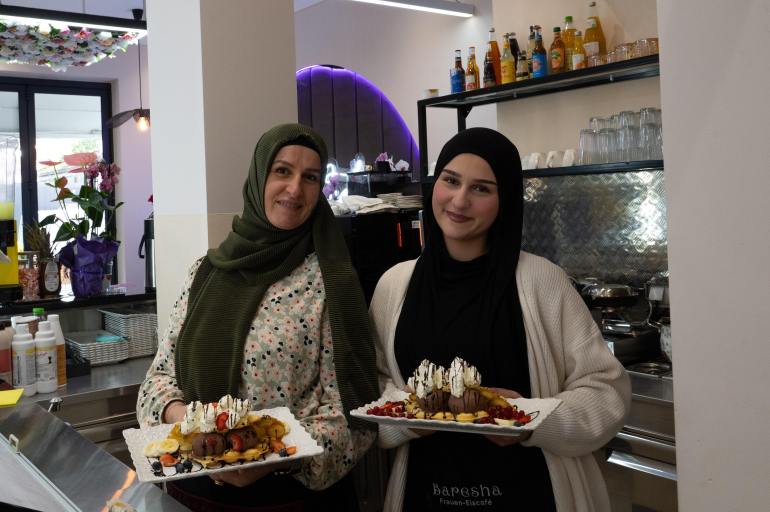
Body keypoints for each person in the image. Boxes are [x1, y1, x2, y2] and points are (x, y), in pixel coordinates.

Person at [369, 127, 631, 511]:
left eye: (482, 189)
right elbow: (371, 387)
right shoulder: (394, 286)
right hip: (424, 493)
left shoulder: (543, 282)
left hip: (532, 493)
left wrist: (529, 419)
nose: (459, 201)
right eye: (451, 181)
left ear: (504, 201)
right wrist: (408, 417)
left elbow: (607, 394)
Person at [137, 123, 380, 512]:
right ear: (258, 177)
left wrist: (269, 454)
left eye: (310, 177)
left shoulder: (332, 283)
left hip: (292, 497)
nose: (295, 189)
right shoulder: (206, 271)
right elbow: (158, 380)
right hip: (194, 495)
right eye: (282, 171)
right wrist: (191, 423)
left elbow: (353, 417)